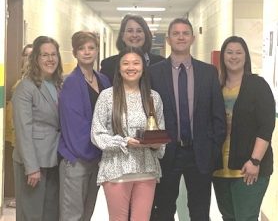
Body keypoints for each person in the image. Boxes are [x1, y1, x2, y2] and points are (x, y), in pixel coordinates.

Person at [149, 18, 227, 220]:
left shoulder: (208, 72)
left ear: (192, 38)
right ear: (168, 39)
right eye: (176, 33)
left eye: (185, 33)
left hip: (200, 153)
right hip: (167, 154)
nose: (181, 37)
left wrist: (212, 146)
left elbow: (218, 114)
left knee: (200, 211)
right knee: (164, 210)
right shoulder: (154, 73)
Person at [91, 46, 165, 221]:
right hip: (117, 170)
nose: (131, 67)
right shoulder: (107, 96)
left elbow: (160, 132)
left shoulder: (153, 97)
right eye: (126, 63)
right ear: (119, 68)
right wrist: (123, 142)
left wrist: (156, 144)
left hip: (146, 169)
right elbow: (97, 133)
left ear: (143, 67)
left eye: (136, 63)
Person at [212, 36, 276, 220]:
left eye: (238, 52)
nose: (234, 56)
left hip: (248, 169)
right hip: (220, 169)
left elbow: (266, 126)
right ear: (223, 56)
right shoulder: (217, 87)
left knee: (245, 217)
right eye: (229, 52)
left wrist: (255, 161)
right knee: (228, 217)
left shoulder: (258, 86)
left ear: (246, 56)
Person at [58, 31, 110, 221]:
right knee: (73, 215)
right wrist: (96, 148)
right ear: (74, 53)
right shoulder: (70, 82)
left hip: (98, 157)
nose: (87, 52)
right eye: (81, 49)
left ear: (97, 51)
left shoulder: (104, 80)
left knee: (87, 213)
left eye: (91, 48)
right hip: (77, 158)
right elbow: (74, 125)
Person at [12, 36, 63, 221]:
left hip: (53, 158)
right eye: (44, 55)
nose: (50, 59)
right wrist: (31, 167)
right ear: (36, 59)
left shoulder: (58, 84)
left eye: (53, 54)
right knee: (32, 214)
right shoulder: (25, 87)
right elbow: (23, 130)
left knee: (50, 213)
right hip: (32, 162)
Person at [5, 43, 33, 209]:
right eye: (26, 55)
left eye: (32, 55)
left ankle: (21, 199)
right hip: (16, 132)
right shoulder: (21, 80)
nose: (28, 58)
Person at [100, 14, 164, 84]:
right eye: (130, 31)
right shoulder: (108, 65)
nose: (134, 35)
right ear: (122, 36)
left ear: (145, 35)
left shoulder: (161, 64)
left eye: (139, 31)